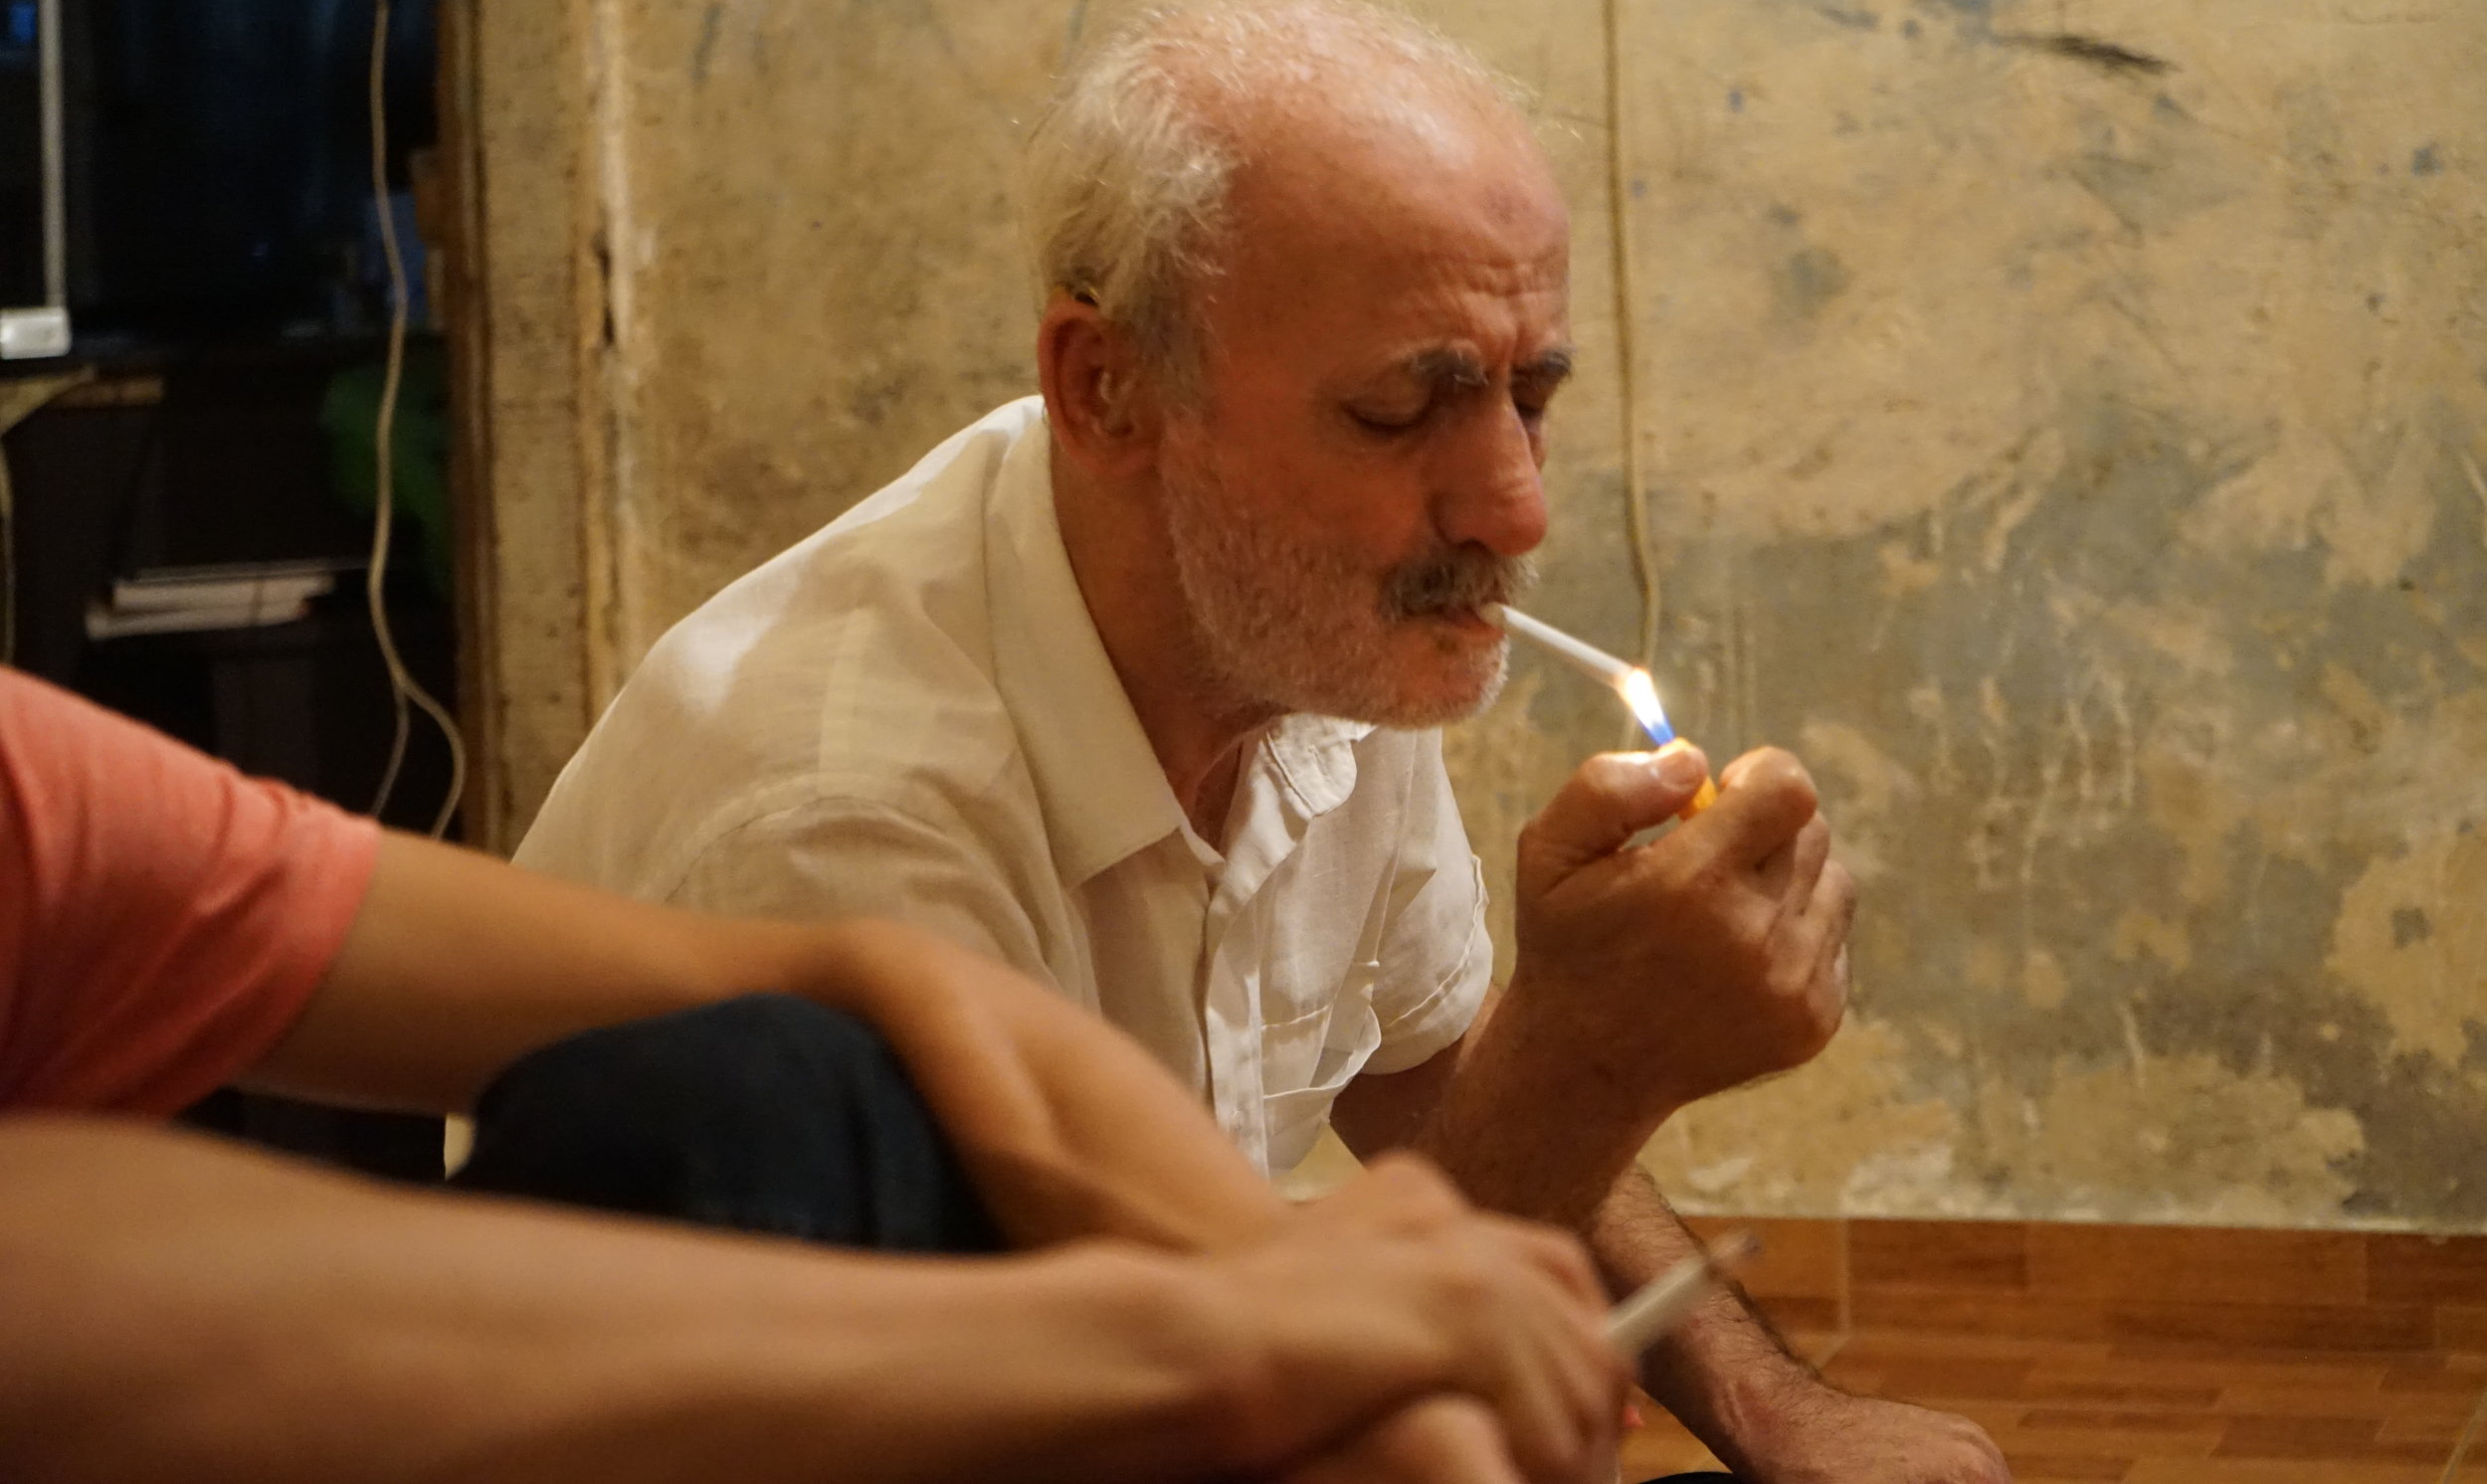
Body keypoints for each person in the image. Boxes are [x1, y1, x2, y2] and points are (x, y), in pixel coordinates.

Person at [517, 0, 2008, 1483]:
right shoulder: (842, 818)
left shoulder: (1304, 620)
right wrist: (1596, 1055)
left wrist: (1774, 1415)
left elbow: (1425, 1073)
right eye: (1401, 410)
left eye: (1528, 395)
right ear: (1108, 388)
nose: (1514, 507)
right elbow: (1114, 1445)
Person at [0, 666, 1633, 1484]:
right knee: (730, 1121)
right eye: (1397, 405)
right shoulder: (852, 776)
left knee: (786, 1076)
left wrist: (1293, 1293)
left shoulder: (30, 795)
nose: (1508, 497)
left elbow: (865, 974)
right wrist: (1211, 1348)